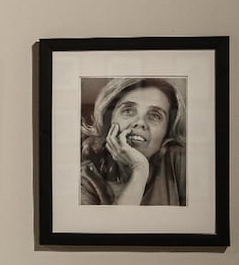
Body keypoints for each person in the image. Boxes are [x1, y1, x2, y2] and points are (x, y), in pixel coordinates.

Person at [80, 78, 186, 206]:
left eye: (155, 115)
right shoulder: (85, 180)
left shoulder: (179, 161)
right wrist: (139, 170)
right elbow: (118, 226)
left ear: (167, 132)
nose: (140, 122)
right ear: (108, 120)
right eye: (128, 111)